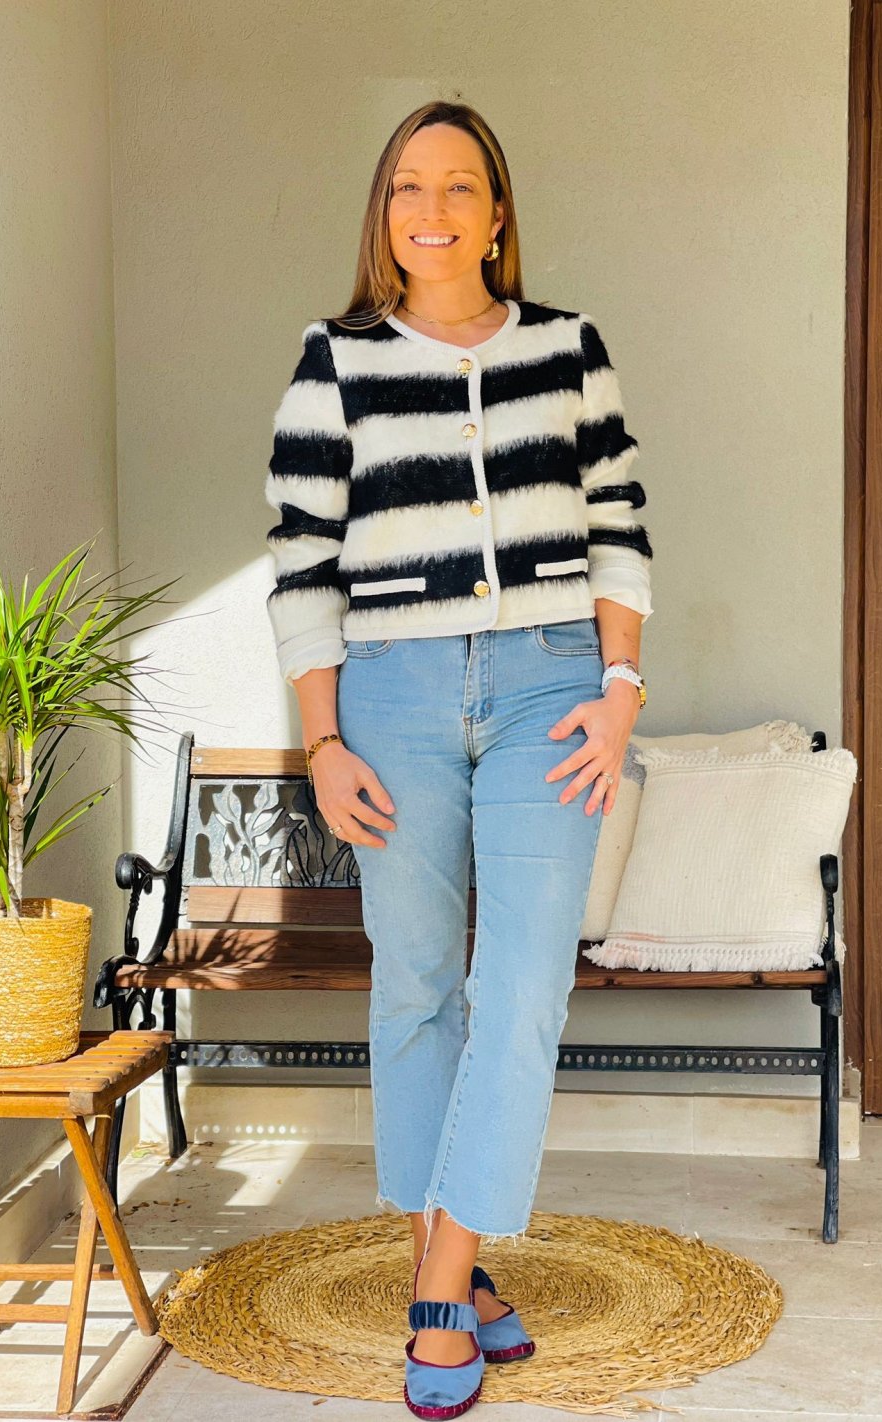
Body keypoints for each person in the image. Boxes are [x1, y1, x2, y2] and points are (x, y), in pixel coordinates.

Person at [265, 99, 652, 1418]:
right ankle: (463, 1265)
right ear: (385, 215)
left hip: (551, 682)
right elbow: (302, 563)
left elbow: (619, 524)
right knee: (420, 980)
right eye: (408, 188)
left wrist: (620, 689)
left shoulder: (568, 348)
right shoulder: (334, 362)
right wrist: (322, 739)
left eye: (459, 186)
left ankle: (439, 1275)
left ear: (497, 214)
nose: (431, 210)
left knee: (525, 983)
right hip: (392, 692)